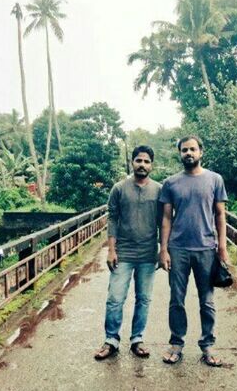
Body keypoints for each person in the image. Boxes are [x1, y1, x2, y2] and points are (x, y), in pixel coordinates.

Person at [159, 135, 228, 367]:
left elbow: (220, 215)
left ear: (201, 152)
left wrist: (223, 250)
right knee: (176, 299)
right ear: (180, 153)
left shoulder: (215, 179)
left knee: (206, 301)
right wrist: (164, 249)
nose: (188, 153)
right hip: (178, 249)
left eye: (193, 149)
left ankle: (207, 346)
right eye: (184, 150)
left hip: (206, 249)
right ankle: (176, 344)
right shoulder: (171, 183)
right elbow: (166, 218)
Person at [94, 146, 161, 360]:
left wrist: (163, 250)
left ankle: (137, 339)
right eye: (138, 160)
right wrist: (111, 250)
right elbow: (112, 218)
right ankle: (111, 340)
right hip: (123, 253)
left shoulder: (159, 190)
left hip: (148, 254)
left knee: (144, 299)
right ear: (132, 163)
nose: (142, 164)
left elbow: (165, 222)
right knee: (115, 298)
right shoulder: (119, 188)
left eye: (146, 161)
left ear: (152, 165)